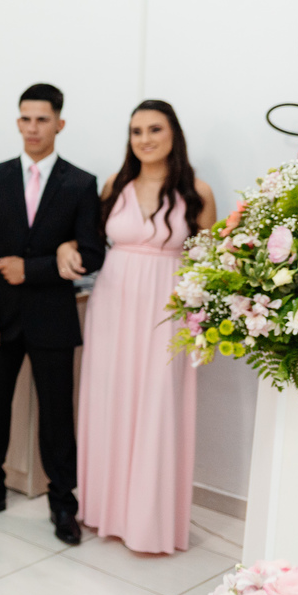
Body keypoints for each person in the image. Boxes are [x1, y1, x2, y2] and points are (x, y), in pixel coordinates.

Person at [61, 100, 215, 553]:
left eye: (154, 129)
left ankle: (148, 521)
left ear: (173, 135)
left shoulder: (197, 192)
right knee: (111, 398)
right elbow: (86, 240)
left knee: (156, 405)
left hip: (166, 307)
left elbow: (207, 263)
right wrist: (66, 246)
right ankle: (105, 510)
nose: (144, 139)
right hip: (112, 302)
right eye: (136, 131)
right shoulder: (115, 184)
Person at [0, 83, 105, 546]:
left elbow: (93, 254)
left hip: (53, 317)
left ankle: (64, 505)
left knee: (57, 416)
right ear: (18, 122)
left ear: (59, 124)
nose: (33, 128)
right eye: (26, 118)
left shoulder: (81, 182)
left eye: (42, 119)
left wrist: (33, 269)